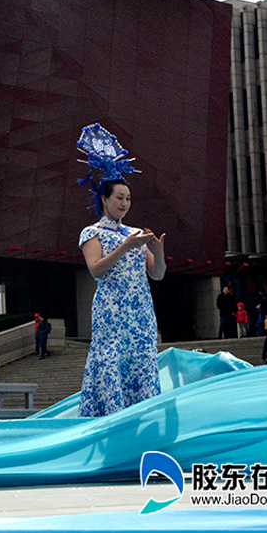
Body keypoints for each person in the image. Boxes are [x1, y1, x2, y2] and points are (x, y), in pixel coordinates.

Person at [74, 124, 165, 418]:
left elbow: (157, 274)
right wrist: (125, 247)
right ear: (104, 198)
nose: (125, 203)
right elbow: (96, 270)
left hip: (140, 310)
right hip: (111, 310)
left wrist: (158, 252)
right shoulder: (92, 232)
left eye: (128, 198)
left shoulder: (136, 233)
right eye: (119, 198)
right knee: (111, 361)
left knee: (141, 361)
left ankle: (143, 419)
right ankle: (108, 419)